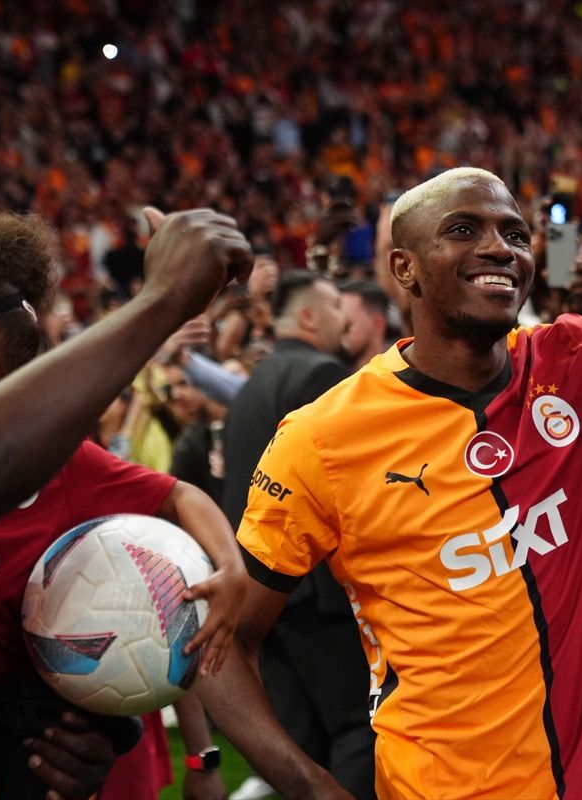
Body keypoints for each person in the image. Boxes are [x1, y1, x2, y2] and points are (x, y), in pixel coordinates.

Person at [198, 75, 582, 799]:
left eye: (515, 233)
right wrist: (310, 786)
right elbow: (223, 642)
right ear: (404, 268)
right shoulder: (323, 437)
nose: (500, 248)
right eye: (463, 230)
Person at [0, 207, 252, 799]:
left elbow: (174, 510)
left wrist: (228, 567)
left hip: (26, 718)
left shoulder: (61, 464)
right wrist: (163, 299)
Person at [220, 270, 375, 800]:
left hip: (266, 593)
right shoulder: (321, 374)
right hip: (319, 595)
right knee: (356, 729)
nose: (344, 320)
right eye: (334, 306)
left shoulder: (253, 384)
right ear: (307, 316)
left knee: (303, 745)